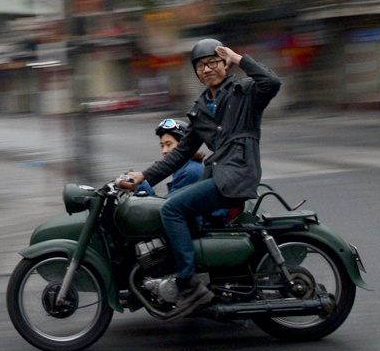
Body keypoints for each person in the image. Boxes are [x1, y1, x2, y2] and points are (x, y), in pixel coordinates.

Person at [118, 39, 282, 317]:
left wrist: (239, 58)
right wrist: (143, 176)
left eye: (213, 62)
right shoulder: (201, 109)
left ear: (224, 64)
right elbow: (179, 154)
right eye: (201, 66)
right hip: (218, 176)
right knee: (172, 208)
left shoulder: (245, 92)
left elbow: (272, 83)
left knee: (171, 209)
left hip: (237, 175)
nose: (207, 69)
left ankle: (189, 283)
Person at [132, 119, 205, 197]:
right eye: (162, 146)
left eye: (169, 144)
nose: (164, 151)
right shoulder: (184, 169)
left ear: (183, 145)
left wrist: (141, 185)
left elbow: (168, 204)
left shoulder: (190, 172)